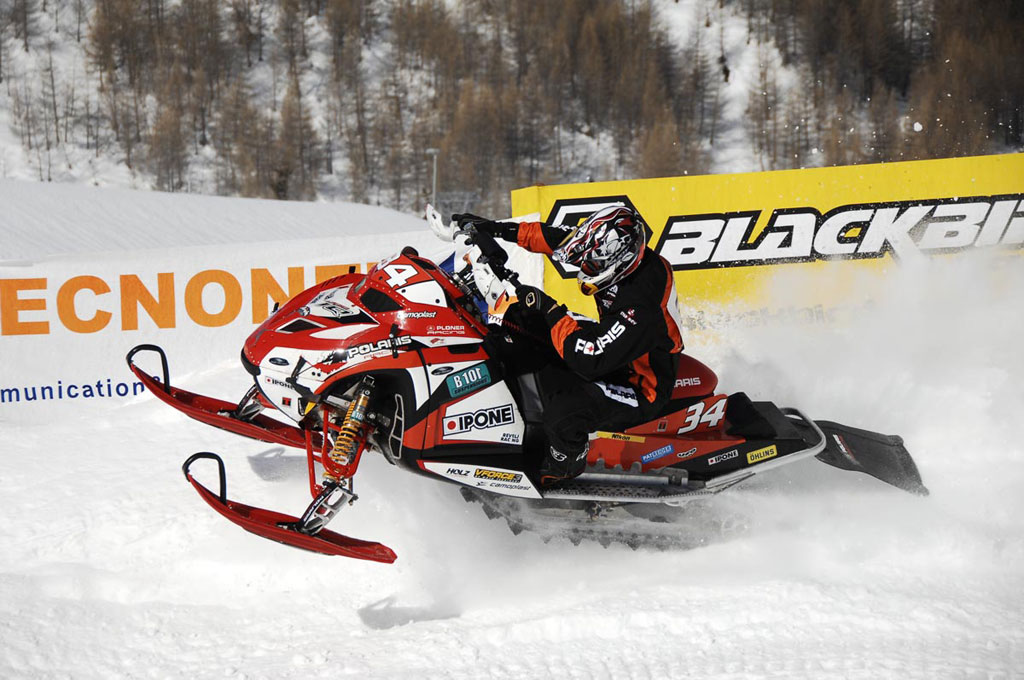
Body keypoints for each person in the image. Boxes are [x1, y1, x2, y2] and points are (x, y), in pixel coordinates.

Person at [453, 205, 684, 485]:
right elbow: (560, 240)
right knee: (521, 319)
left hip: (641, 385)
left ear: (621, 262)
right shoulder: (613, 252)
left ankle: (563, 469)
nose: (585, 267)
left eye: (593, 266)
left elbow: (588, 357)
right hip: (617, 352)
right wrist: (495, 228)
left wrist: (550, 310)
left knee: (564, 413)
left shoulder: (642, 306)